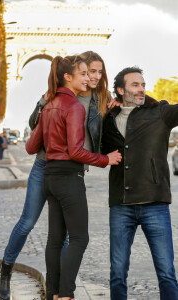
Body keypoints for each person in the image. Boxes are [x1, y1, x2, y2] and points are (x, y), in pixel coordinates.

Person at [0, 51, 116, 300]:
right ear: (72, 74)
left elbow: (104, 135)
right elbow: (34, 131)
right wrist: (43, 102)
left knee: (60, 237)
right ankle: (7, 271)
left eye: (98, 72)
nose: (93, 76)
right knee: (29, 223)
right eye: (88, 71)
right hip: (46, 165)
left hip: (71, 168)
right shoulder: (56, 97)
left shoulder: (101, 100)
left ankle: (57, 290)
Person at [101, 66, 178, 300]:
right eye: (135, 85)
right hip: (121, 204)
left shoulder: (160, 113)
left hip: (154, 202)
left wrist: (150, 100)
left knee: (166, 272)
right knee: (117, 273)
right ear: (120, 90)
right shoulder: (108, 118)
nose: (141, 89)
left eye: (143, 85)